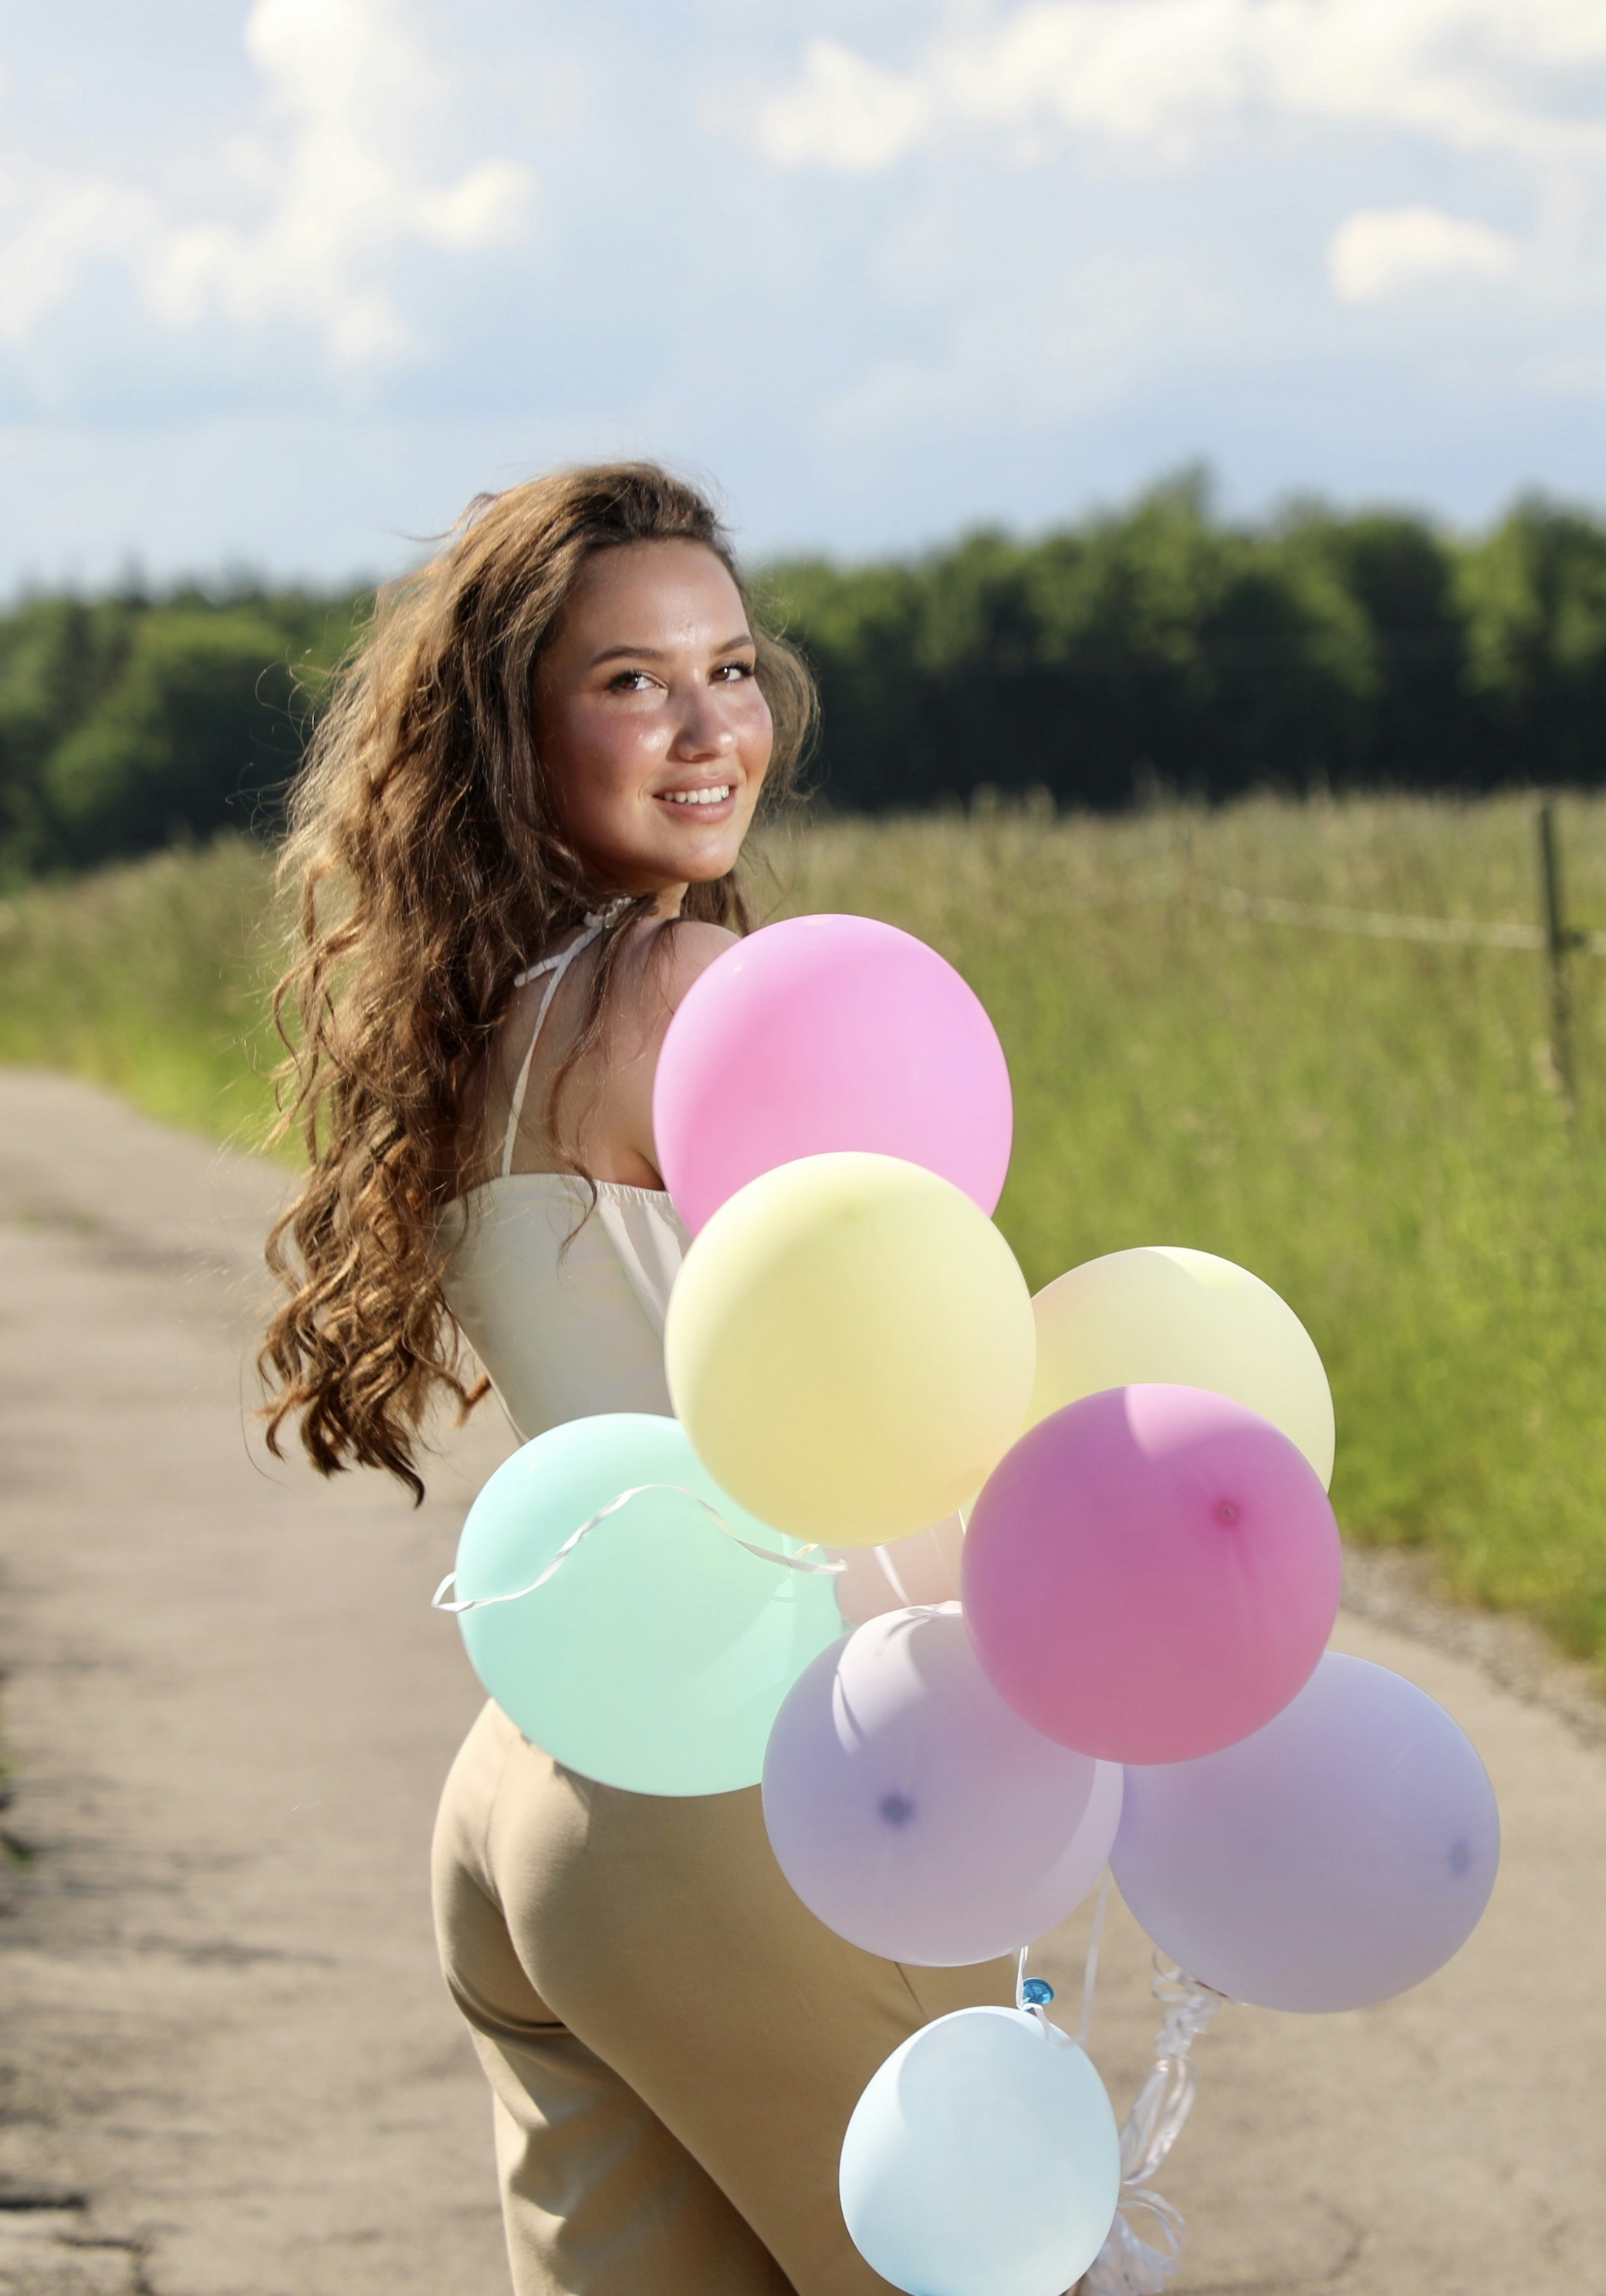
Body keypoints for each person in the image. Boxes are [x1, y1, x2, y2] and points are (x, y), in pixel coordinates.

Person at [255, 462, 1008, 2296]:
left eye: (731, 669)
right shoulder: (691, 989)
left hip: (540, 1796)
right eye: (629, 682)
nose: (706, 729)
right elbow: (911, 1403)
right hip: (741, 1791)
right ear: (518, 732)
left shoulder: (489, 1022)